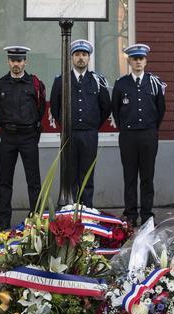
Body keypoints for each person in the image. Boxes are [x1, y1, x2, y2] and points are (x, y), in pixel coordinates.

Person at [49, 39, 111, 208]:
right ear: (72, 58)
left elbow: (106, 107)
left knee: (87, 174)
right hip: (69, 134)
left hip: (89, 134)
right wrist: (66, 125)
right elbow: (55, 107)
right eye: (77, 54)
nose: (81, 58)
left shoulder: (98, 81)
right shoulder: (61, 80)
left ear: (89, 58)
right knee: (69, 175)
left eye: (84, 54)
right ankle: (70, 211)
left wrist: (93, 124)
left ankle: (87, 210)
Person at [111, 43, 166, 227]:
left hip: (149, 135)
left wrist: (150, 128)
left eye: (141, 59)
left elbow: (161, 110)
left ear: (146, 60)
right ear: (129, 61)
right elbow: (116, 111)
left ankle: (147, 214)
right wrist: (126, 128)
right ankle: (131, 214)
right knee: (129, 177)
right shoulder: (121, 84)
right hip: (128, 136)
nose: (138, 62)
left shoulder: (154, 83)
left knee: (147, 177)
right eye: (135, 59)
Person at [0, 46, 46, 230]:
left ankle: (36, 218)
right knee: (5, 181)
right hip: (7, 137)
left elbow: (40, 111)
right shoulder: (0, 84)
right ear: (8, 61)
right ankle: (4, 221)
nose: (16, 64)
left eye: (20, 60)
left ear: (25, 61)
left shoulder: (35, 84)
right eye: (13, 60)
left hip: (28, 136)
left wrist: (31, 128)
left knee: (34, 180)